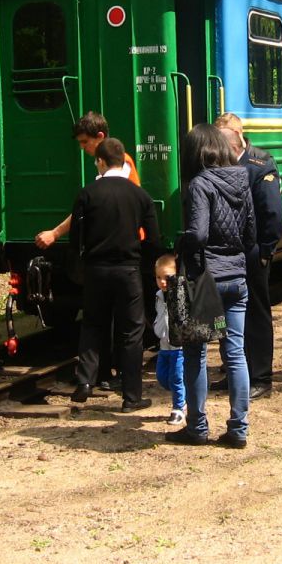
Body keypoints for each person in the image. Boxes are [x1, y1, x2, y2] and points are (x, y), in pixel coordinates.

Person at [156, 124, 255, 448]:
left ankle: (197, 428)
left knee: (196, 354)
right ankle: (238, 429)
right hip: (236, 277)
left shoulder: (199, 184)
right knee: (235, 354)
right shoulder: (243, 179)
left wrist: (180, 245)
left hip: (204, 279)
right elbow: (251, 234)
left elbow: (198, 234)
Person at [68, 138, 161, 413]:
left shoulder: (87, 193)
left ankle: (85, 382)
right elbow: (154, 239)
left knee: (93, 325)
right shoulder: (139, 195)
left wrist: (81, 266)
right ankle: (132, 397)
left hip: (97, 270)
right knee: (131, 333)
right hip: (128, 270)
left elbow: (76, 239)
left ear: (100, 161)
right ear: (124, 161)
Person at [212, 113, 282, 400]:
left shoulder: (260, 164)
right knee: (226, 316)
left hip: (251, 252)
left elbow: (273, 212)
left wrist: (265, 251)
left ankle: (260, 377)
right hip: (226, 253)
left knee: (255, 314)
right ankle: (234, 372)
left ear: (237, 136)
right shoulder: (221, 162)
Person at [35, 111, 140, 249]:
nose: (82, 147)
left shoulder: (122, 163)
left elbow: (92, 205)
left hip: (126, 241)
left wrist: (55, 233)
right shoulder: (111, 164)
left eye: (85, 141)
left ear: (100, 136)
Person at [152, 287, 186, 426]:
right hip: (163, 345)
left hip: (178, 347)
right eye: (159, 278)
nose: (163, 282)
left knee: (176, 378)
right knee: (162, 377)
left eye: (166, 277)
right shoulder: (158, 295)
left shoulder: (181, 292)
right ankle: (183, 393)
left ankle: (179, 407)